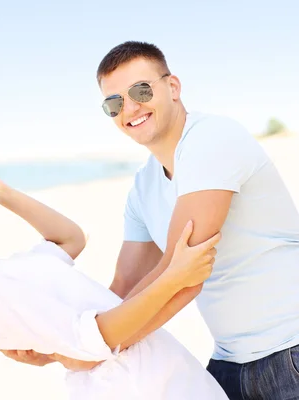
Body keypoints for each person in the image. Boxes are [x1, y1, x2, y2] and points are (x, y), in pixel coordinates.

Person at [0, 164, 228, 400]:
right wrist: (173, 278)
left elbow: (70, 239)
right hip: (140, 387)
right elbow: (91, 344)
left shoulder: (2, 271)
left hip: (157, 374)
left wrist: (6, 196)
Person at [90, 41, 299, 399]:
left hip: (290, 351)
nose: (131, 107)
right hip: (229, 362)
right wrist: (68, 334)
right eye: (115, 103)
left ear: (173, 87)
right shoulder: (143, 186)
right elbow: (124, 283)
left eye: (141, 90)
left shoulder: (211, 139)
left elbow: (183, 276)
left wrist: (94, 345)